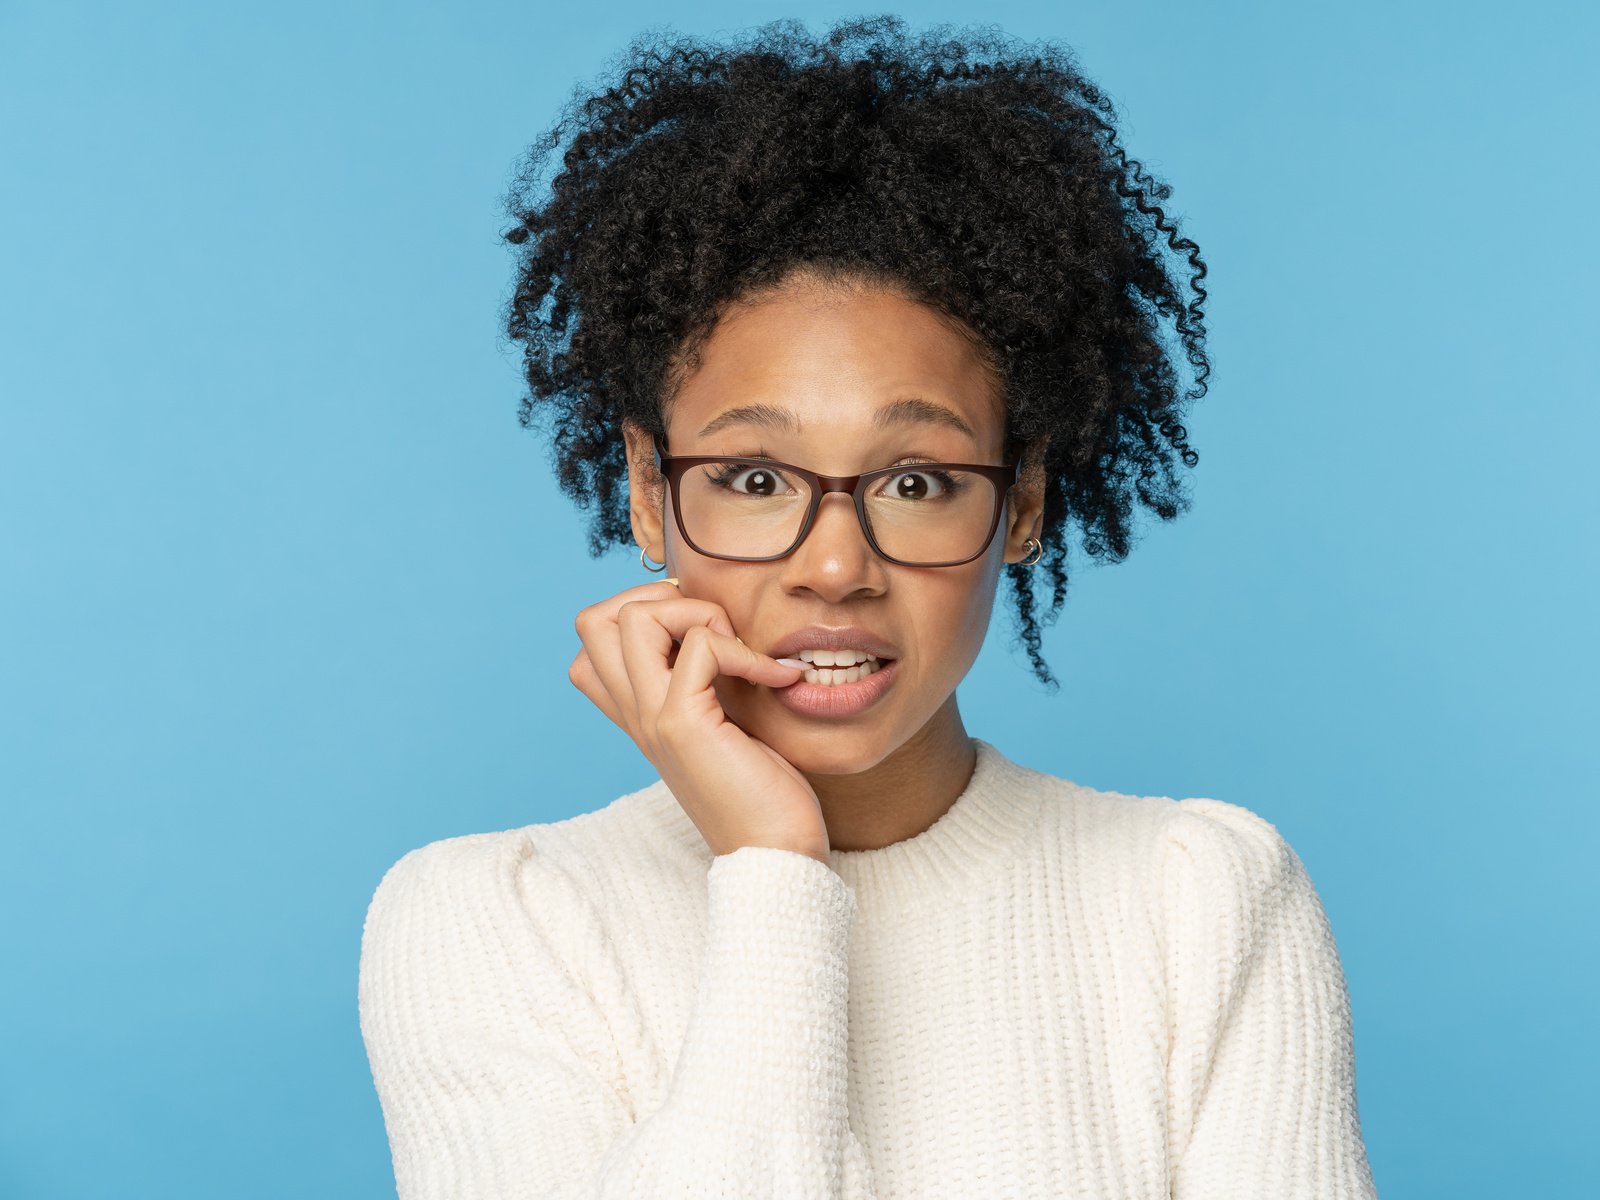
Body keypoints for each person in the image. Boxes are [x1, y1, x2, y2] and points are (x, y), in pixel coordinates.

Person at [358, 15, 1378, 1199]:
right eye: (751, 480)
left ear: (1024, 501)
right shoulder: (493, 920)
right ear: (648, 491)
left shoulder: (1200, 897)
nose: (835, 566)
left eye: (916, 482)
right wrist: (775, 869)